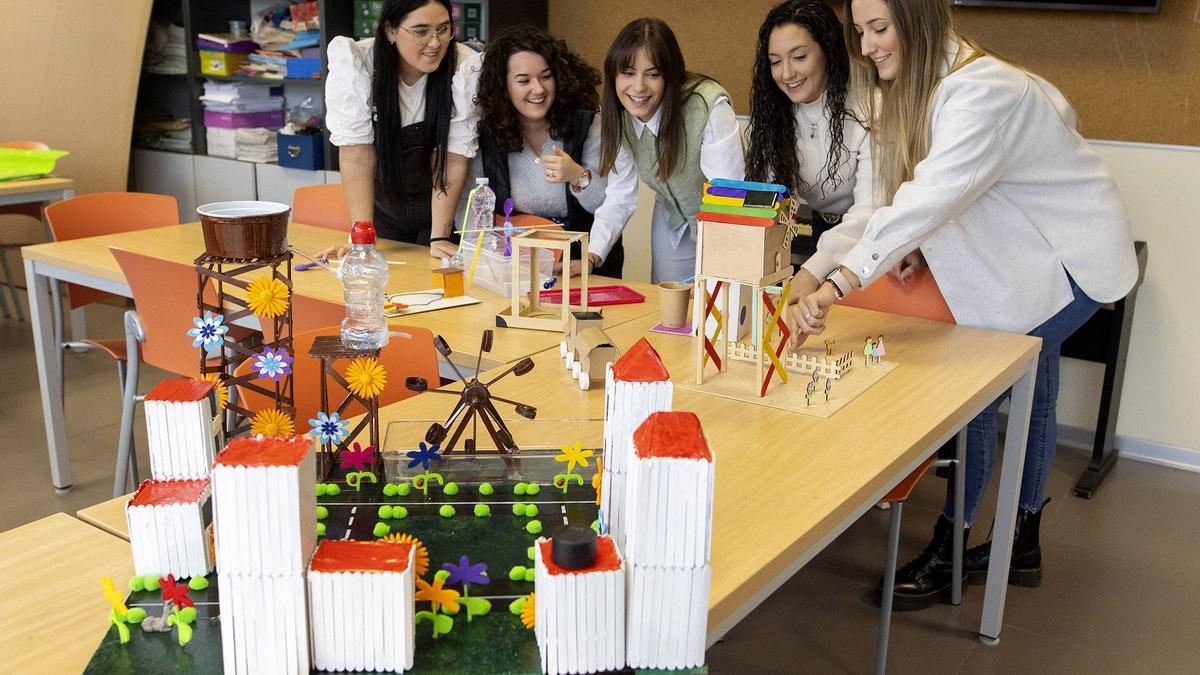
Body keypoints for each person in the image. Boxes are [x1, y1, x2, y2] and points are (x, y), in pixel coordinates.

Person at [788, 0, 1138, 609]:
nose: (866, 46)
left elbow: (929, 198)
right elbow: (884, 206)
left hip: (1074, 260)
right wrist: (816, 269)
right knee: (1037, 382)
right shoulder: (906, 90)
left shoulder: (985, 89)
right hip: (1024, 261)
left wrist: (839, 284)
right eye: (860, 31)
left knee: (978, 385)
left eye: (879, 29)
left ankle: (952, 549)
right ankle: (1022, 538)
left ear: (918, 20)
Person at [585, 18, 746, 284]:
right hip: (672, 218)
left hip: (727, 220)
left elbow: (729, 199)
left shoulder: (707, 107)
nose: (638, 87)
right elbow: (618, 198)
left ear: (670, 76)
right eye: (628, 72)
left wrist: (718, 276)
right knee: (669, 307)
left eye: (653, 74)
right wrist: (592, 255)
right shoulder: (619, 117)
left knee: (719, 307)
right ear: (613, 74)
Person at [325, 0, 481, 260]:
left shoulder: (464, 66)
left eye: (443, 29)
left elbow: (453, 157)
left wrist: (440, 235)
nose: (435, 43)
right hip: (385, 212)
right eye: (421, 31)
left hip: (445, 211)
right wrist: (361, 239)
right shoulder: (358, 64)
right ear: (390, 31)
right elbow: (357, 156)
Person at [746, 0, 875, 301]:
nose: (787, 73)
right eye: (775, 61)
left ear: (828, 51)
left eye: (800, 56)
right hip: (822, 232)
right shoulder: (773, 116)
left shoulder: (870, 108)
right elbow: (766, 202)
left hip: (870, 239)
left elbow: (871, 210)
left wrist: (811, 273)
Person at [471, 26, 623, 278]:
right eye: (523, 81)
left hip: (584, 264)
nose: (538, 89)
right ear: (503, 86)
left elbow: (609, 203)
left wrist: (577, 175)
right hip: (516, 264)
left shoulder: (587, 124)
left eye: (545, 76)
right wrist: (490, 255)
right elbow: (470, 206)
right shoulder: (488, 133)